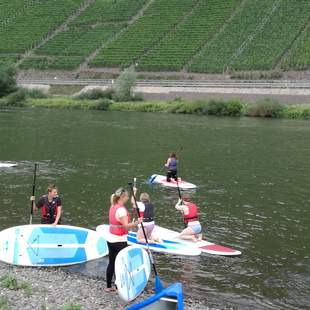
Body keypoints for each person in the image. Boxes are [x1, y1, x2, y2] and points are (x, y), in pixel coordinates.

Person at [105, 187, 142, 292]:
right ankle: (119, 287)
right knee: (121, 263)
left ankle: (108, 286)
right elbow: (126, 226)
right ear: (123, 197)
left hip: (110, 238)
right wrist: (136, 223)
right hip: (119, 240)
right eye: (127, 196)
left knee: (112, 261)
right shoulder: (121, 210)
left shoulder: (113, 206)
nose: (128, 198)